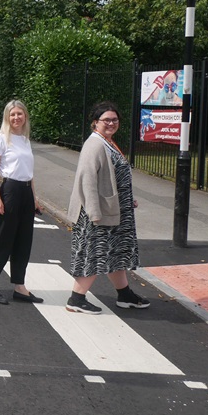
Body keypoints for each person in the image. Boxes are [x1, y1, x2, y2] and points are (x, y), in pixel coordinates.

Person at [66, 101, 150, 314]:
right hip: (98, 213)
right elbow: (87, 180)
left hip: (115, 209)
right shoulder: (94, 144)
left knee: (117, 253)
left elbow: (111, 177)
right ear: (95, 122)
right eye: (106, 120)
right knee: (95, 254)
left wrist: (126, 199)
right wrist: (95, 213)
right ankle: (76, 299)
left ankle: (124, 295)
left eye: (114, 120)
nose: (111, 123)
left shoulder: (108, 142)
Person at [0, 100, 43, 305]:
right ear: (7, 117)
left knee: (24, 241)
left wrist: (34, 198)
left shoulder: (25, 140)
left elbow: (30, 173)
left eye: (20, 114)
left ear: (25, 116)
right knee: (2, 240)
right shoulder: (0, 139)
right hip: (10, 191)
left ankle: (19, 286)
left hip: (25, 192)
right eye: (12, 114)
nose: (16, 117)